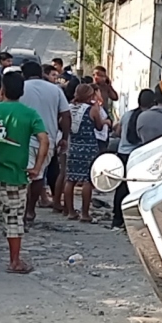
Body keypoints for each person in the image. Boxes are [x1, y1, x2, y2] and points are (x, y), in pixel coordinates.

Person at [0, 72, 48, 273]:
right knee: (14, 219)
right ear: (21, 92)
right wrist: (37, 167)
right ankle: (14, 261)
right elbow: (44, 140)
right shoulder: (30, 114)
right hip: (16, 176)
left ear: (2, 90)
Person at [18, 61, 70, 222]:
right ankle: (30, 209)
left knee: (21, 175)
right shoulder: (55, 90)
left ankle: (20, 208)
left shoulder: (21, 88)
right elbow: (66, 115)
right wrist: (65, 138)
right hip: (48, 139)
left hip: (22, 138)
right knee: (38, 176)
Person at [110, 88, 155, 229]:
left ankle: (117, 219)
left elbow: (117, 132)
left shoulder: (127, 115)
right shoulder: (149, 117)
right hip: (139, 156)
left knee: (121, 187)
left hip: (123, 154)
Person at [63, 83, 105, 222]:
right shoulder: (92, 109)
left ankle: (70, 211)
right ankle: (85, 213)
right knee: (88, 181)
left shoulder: (69, 108)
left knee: (70, 179)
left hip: (73, 146)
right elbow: (98, 127)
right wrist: (105, 122)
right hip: (88, 147)